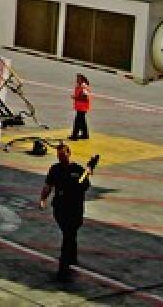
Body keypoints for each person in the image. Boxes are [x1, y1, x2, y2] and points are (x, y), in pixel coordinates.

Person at [39, 144, 92, 281]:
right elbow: (48, 186)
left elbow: (85, 186)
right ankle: (64, 268)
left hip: (75, 209)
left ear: (69, 153)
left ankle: (70, 259)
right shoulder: (55, 169)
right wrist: (43, 199)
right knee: (68, 235)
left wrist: (86, 176)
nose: (61, 158)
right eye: (59, 156)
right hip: (61, 209)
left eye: (63, 155)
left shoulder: (78, 170)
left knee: (70, 234)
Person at [69, 74, 91, 140]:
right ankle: (85, 135)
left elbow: (86, 97)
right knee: (82, 121)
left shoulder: (83, 87)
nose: (77, 80)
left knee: (77, 121)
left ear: (82, 79)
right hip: (80, 107)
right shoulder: (79, 86)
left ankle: (75, 135)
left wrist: (75, 97)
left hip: (82, 107)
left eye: (78, 78)